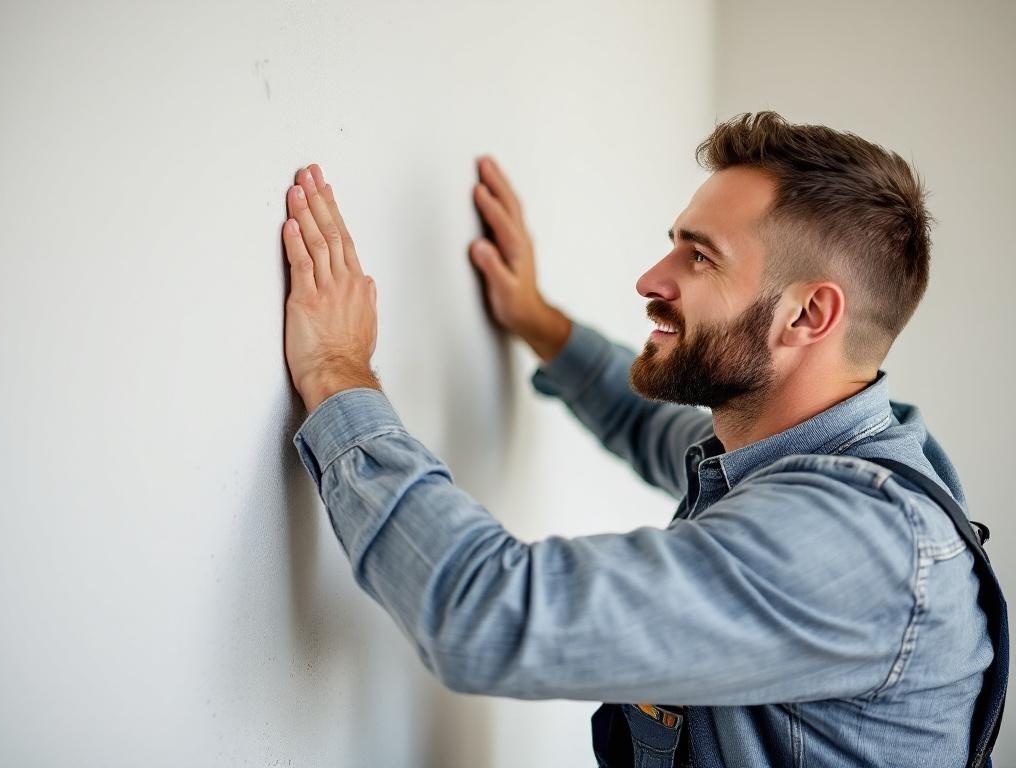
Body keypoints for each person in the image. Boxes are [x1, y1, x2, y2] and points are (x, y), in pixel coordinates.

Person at [279, 112, 996, 767]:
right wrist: (535, 319)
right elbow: (647, 424)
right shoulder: (817, 451)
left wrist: (337, 373)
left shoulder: (855, 541)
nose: (651, 279)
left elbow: (486, 615)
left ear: (807, 315)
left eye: (700, 257)